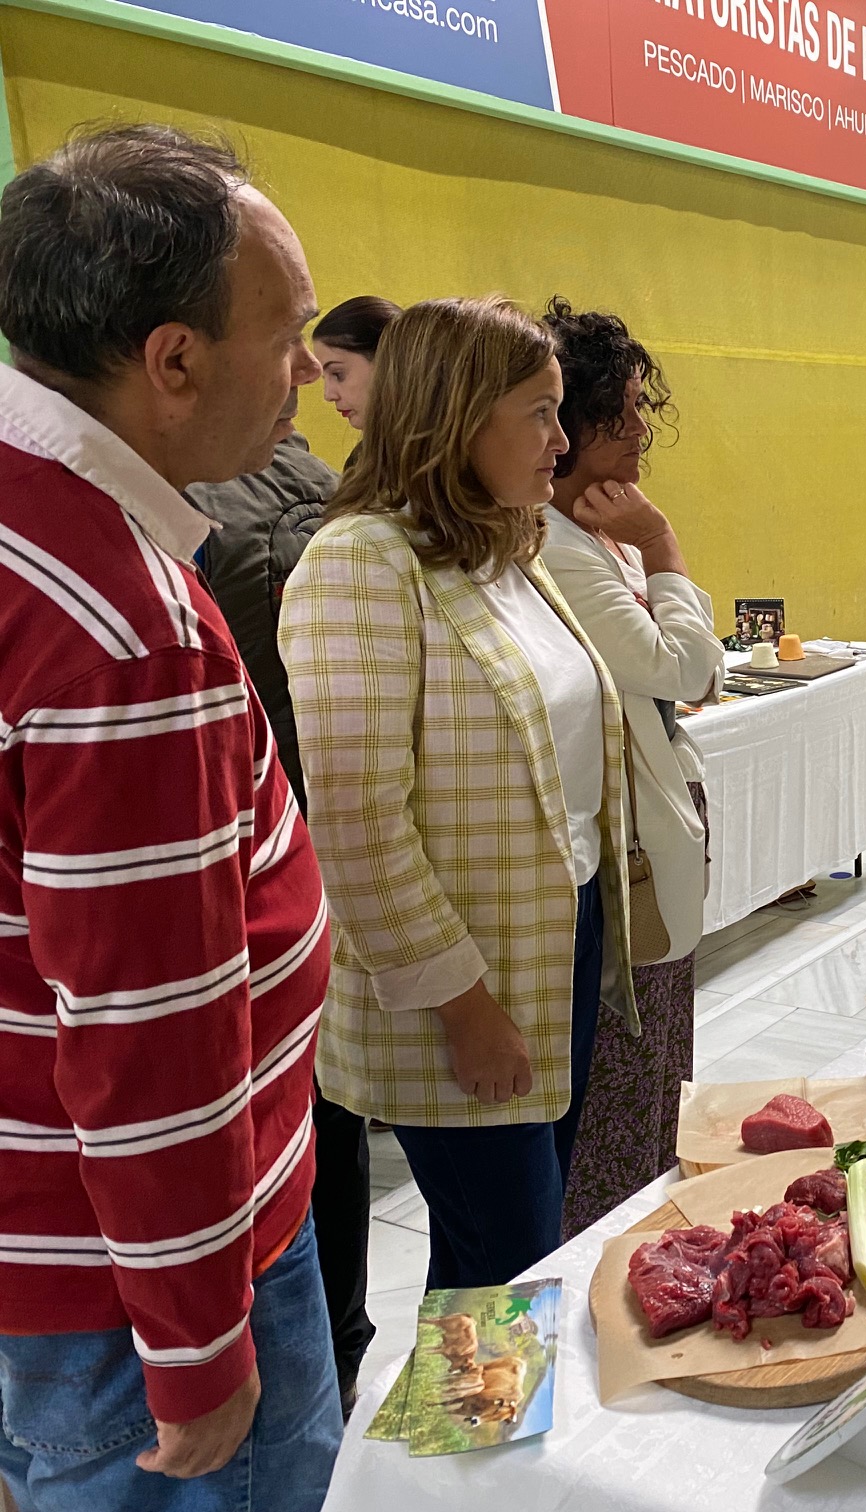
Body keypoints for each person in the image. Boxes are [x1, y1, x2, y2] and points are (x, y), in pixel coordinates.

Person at [0, 124, 339, 1509]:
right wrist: (199, 1349)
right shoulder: (120, 628)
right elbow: (149, 1028)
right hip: (144, 1286)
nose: (311, 372)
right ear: (174, 359)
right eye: (292, 332)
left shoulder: (42, 520)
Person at [280, 297, 634, 1290]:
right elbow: (355, 821)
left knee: (521, 1246)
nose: (562, 443)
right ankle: (470, 1443)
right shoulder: (362, 561)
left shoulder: (502, 546)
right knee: (503, 1259)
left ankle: (483, 1432)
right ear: (456, 413)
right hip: (461, 978)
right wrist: (462, 1005)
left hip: (557, 934)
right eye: (540, 412)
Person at [185, 415, 379, 1416]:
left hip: (272, 878)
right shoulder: (312, 497)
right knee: (318, 1143)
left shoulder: (202, 511)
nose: (305, 372)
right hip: (286, 884)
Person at [537, 297, 723, 1238]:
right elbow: (688, 667)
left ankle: (644, 1234)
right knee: (629, 1071)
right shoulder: (563, 547)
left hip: (649, 829)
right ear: (571, 429)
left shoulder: (587, 539)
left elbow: (691, 673)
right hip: (625, 856)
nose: (645, 430)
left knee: (656, 1067)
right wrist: (661, 544)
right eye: (626, 412)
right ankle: (616, 1253)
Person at [311, 294, 400, 436]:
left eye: (338, 374)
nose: (328, 395)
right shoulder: (366, 454)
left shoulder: (440, 452)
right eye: (324, 378)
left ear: (387, 361)